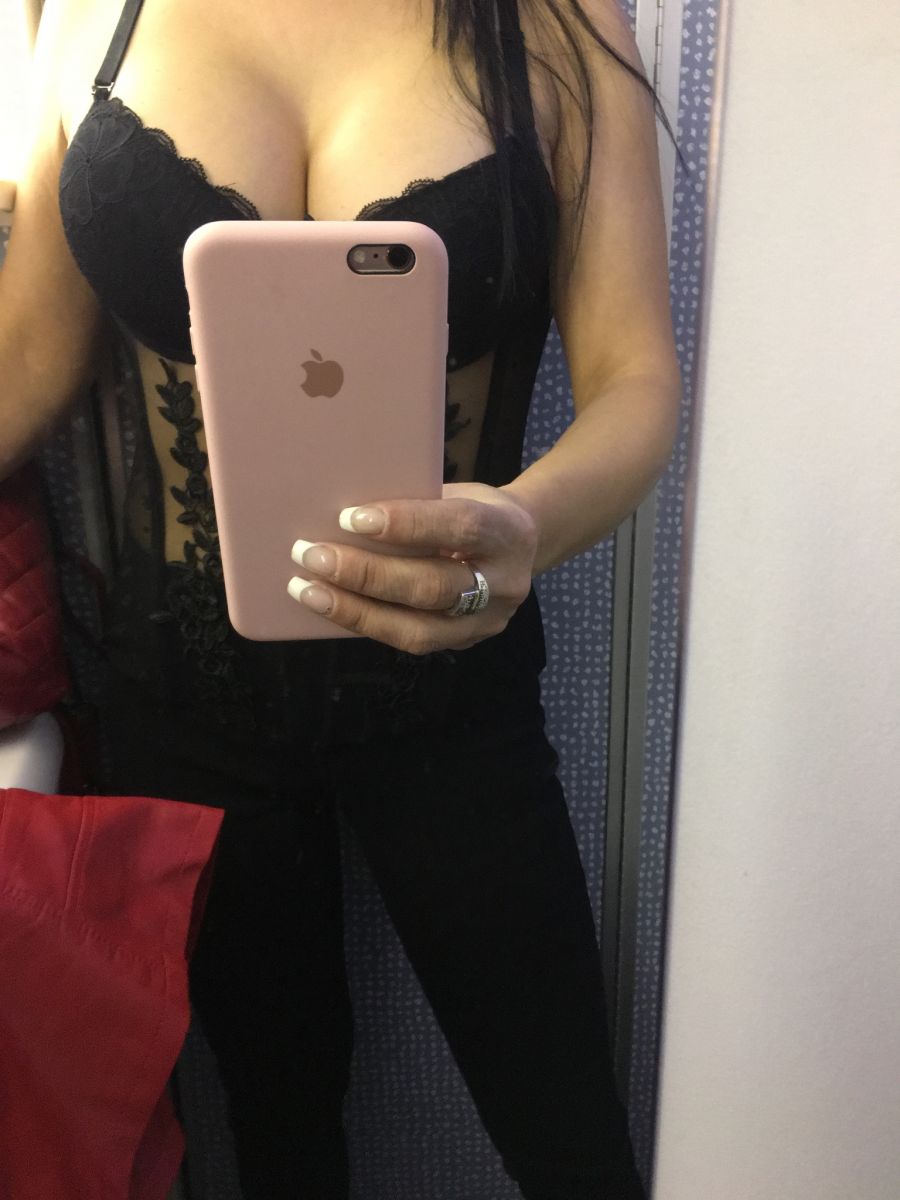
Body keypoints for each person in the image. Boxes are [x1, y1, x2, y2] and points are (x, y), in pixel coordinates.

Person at [0, 0, 683, 1196]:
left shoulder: (562, 23)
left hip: (453, 697)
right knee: (278, 1130)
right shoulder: (89, 15)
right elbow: (27, 360)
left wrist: (525, 526)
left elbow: (634, 379)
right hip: (186, 703)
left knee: (569, 1134)